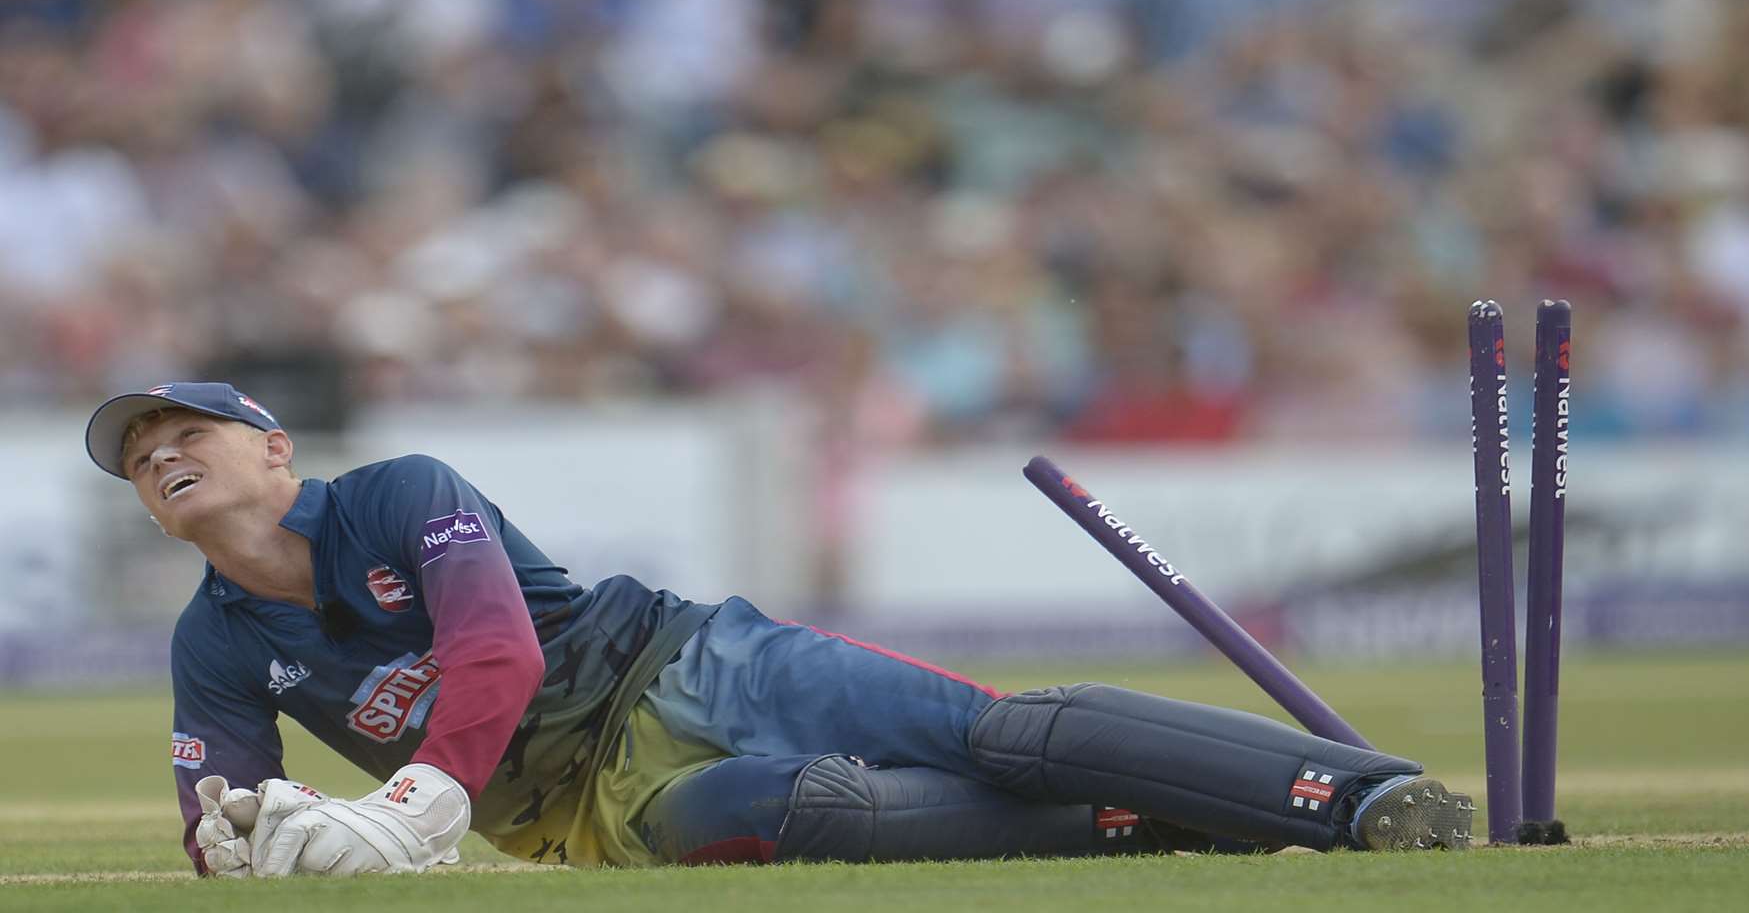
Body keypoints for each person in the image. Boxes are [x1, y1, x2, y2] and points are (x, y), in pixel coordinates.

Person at [86, 381, 1476, 877]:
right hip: (590, 814)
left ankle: (1364, 801)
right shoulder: (212, 640)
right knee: (809, 812)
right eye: (140, 457)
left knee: (1011, 730)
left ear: (273, 454)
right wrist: (250, 844)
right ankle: (1168, 821)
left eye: (186, 432)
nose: (161, 458)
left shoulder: (398, 494)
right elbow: (216, 810)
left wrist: (412, 798)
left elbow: (501, 652)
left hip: (687, 656)